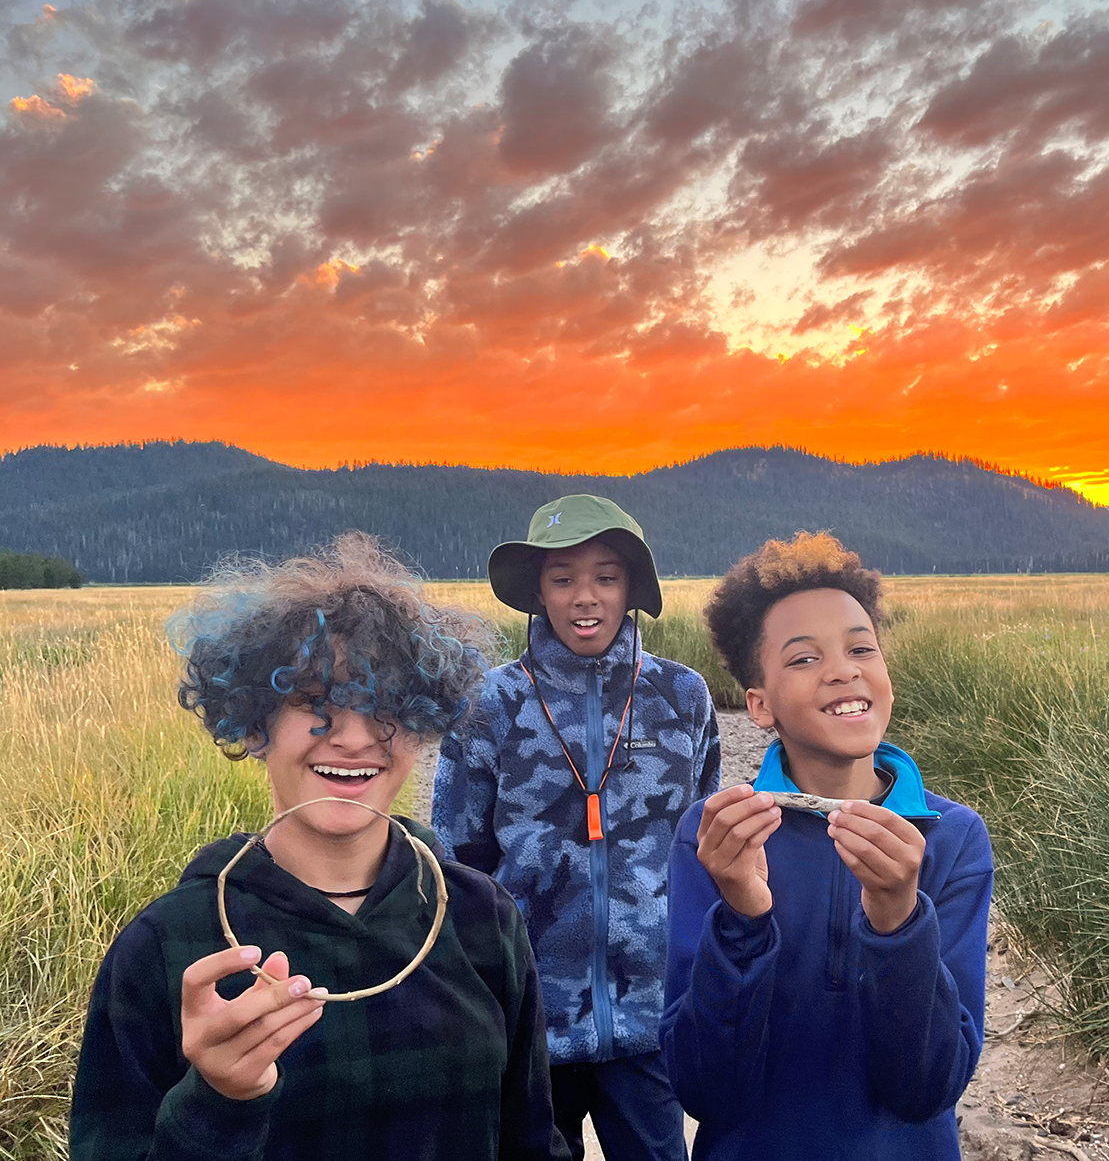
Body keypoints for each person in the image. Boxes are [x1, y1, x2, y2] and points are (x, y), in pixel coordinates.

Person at [70, 533, 569, 1161]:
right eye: (314, 702)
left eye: (387, 706)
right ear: (253, 721)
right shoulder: (172, 947)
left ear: (423, 724)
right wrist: (218, 1101)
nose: (355, 739)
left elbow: (532, 1139)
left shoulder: (479, 916)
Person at [661, 531, 994, 1160]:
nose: (843, 669)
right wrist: (741, 917)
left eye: (860, 648)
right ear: (759, 705)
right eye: (804, 658)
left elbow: (928, 1087)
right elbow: (705, 1090)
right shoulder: (718, 838)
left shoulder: (950, 840)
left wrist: (898, 918)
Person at [432, 495, 720, 1161]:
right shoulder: (490, 703)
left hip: (651, 1018)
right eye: (563, 579)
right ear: (538, 591)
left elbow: (701, 852)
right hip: (530, 1024)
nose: (584, 597)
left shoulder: (684, 698)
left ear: (632, 589)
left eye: (605, 577)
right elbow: (456, 861)